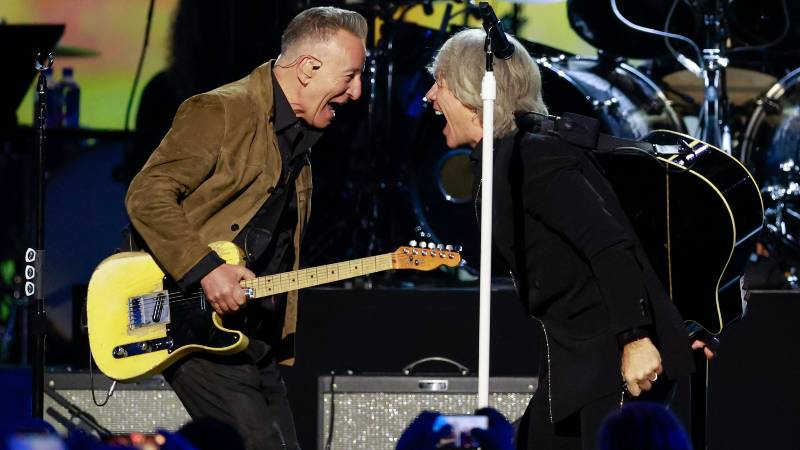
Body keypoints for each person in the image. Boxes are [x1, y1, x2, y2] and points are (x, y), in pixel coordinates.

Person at [423, 29, 714, 450]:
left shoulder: (534, 157)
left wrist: (636, 339)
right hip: (575, 359)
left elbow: (609, 243)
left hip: (613, 355)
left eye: (441, 83)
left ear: (473, 91)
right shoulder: (507, 156)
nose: (431, 95)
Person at [124, 7, 367, 450]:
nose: (357, 92)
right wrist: (207, 270)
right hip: (192, 327)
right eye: (350, 75)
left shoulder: (298, 144)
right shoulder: (220, 110)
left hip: (250, 338)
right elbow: (146, 196)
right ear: (309, 69)